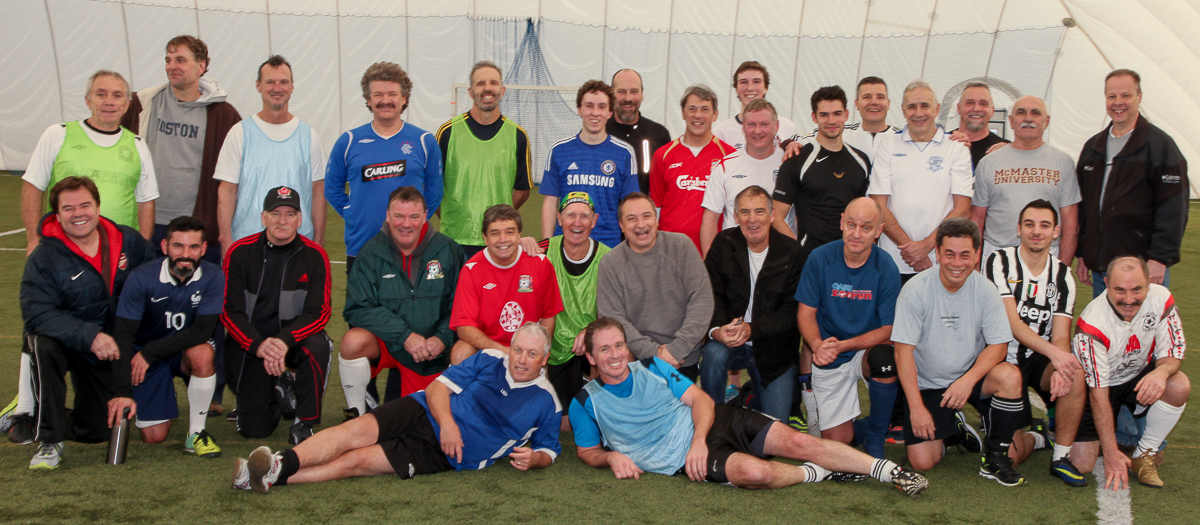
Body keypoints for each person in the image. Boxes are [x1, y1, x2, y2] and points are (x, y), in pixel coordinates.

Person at [569, 317, 928, 497]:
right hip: (680, 460)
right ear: (591, 356)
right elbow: (587, 451)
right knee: (756, 474)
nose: (615, 355)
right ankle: (819, 473)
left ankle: (889, 472)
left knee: (799, 441)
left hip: (713, 423)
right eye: (604, 349)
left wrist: (698, 441)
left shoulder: (653, 367)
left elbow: (700, 400)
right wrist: (611, 457)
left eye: (619, 345)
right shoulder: (585, 403)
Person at [232, 323, 561, 493]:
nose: (521, 359)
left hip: (446, 455)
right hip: (423, 408)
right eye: (517, 350)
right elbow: (437, 387)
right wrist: (448, 424)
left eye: (532, 354)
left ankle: (267, 477)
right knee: (353, 432)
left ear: (544, 359)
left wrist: (535, 459)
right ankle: (279, 463)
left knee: (356, 461)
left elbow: (549, 450)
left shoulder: (547, 401)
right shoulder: (490, 358)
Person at [20, 177, 155, 469]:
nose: (78, 214)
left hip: (108, 347)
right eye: (68, 208)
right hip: (65, 341)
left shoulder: (127, 240)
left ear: (97, 207)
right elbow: (37, 313)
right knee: (42, 345)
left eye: (85, 205)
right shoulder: (45, 256)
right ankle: (50, 439)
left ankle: (34, 416)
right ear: (57, 215)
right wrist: (89, 335)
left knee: (97, 431)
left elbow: (155, 276)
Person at [893, 218, 1028, 487]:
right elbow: (902, 353)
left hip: (972, 378)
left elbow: (999, 346)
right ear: (937, 253)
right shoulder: (915, 291)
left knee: (1010, 376)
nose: (957, 263)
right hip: (929, 384)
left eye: (965, 255)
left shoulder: (986, 290)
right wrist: (916, 407)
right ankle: (952, 430)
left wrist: (967, 380)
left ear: (977, 255)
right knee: (922, 461)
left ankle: (999, 457)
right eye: (950, 254)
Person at [982, 200, 1088, 486]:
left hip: (1037, 357)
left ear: (1056, 232)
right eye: (1029, 224)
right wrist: (1056, 354)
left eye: (1044, 225)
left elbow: (1061, 335)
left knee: (1074, 373)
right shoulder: (999, 261)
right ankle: (1038, 436)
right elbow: (1013, 325)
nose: (1036, 231)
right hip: (1000, 359)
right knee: (1012, 456)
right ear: (1019, 229)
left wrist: (1062, 365)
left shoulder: (1063, 275)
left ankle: (1061, 457)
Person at [338, 187, 464, 419]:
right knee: (353, 341)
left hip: (435, 349)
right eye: (399, 216)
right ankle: (357, 411)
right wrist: (405, 336)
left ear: (424, 216)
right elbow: (358, 308)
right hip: (392, 344)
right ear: (388, 216)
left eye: (413, 216)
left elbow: (462, 304)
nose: (406, 224)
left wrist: (441, 338)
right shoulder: (371, 252)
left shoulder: (448, 249)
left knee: (425, 421)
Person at [222, 186, 332, 444]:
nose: (283, 220)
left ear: (300, 219)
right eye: (275, 213)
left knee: (317, 345)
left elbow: (319, 312)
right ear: (264, 217)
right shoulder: (239, 252)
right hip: (254, 343)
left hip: (293, 341)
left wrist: (283, 341)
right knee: (254, 429)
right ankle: (281, 387)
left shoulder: (315, 256)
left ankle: (304, 422)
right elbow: (229, 311)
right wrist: (259, 345)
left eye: (290, 214)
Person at [1071, 256, 1189, 490]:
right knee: (1082, 463)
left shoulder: (1161, 297)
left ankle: (1144, 453)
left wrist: (1161, 372)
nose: (1128, 299)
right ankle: (1060, 428)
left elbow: (1173, 353)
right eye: (1120, 290)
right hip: (1100, 386)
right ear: (1106, 284)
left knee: (1178, 385)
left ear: (1149, 283)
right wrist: (1110, 452)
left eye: (1137, 289)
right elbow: (1098, 394)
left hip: (1136, 374)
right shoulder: (1092, 325)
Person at [120, 34, 241, 262]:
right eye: (168, 60)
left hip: (197, 226)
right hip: (148, 221)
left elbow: (234, 176)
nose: (172, 66)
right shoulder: (142, 104)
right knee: (147, 283)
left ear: (201, 66)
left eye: (181, 60)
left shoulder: (224, 115)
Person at [796, 198, 900, 459]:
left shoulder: (886, 266)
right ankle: (868, 427)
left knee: (885, 358)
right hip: (831, 353)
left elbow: (889, 329)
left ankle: (876, 438)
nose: (856, 234)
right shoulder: (820, 258)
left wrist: (845, 345)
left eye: (866, 228)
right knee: (839, 448)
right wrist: (818, 346)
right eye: (851, 224)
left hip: (864, 350)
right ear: (841, 222)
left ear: (878, 231)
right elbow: (805, 314)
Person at [112, 216, 223, 458]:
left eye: (193, 247)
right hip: (144, 358)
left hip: (174, 351)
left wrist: (151, 352)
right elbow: (123, 334)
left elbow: (202, 331)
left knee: (203, 352)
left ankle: (196, 433)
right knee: (154, 436)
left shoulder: (213, 276)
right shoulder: (141, 278)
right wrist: (123, 388)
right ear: (164, 247)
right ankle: (162, 393)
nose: (186, 254)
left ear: (204, 249)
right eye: (178, 246)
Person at [1075, 69, 1188, 294]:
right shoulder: (1093, 147)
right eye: (1112, 96)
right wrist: (1083, 253)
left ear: (1139, 97)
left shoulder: (1160, 146)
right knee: (1105, 319)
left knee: (1144, 319)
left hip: (1143, 269)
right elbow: (1084, 207)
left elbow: (1174, 208)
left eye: (1126, 95)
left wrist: (1159, 258)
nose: (1118, 102)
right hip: (1102, 270)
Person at [22, 70, 158, 253]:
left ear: (126, 105)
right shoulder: (58, 134)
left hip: (119, 253)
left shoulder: (138, 145)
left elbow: (146, 202)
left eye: (117, 96)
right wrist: (33, 239)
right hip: (63, 250)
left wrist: (142, 247)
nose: (109, 101)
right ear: (87, 100)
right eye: (101, 94)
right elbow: (33, 187)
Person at [325, 62, 443, 270]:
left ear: (404, 98)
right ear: (368, 100)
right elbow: (332, 189)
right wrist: (353, 214)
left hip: (410, 248)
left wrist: (415, 221)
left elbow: (435, 191)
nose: (385, 101)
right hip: (362, 246)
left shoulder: (424, 141)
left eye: (392, 94)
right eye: (378, 95)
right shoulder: (349, 141)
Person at [700, 186, 803, 421]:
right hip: (731, 340)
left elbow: (792, 311)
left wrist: (752, 329)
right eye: (745, 212)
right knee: (713, 355)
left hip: (774, 349)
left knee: (772, 430)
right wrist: (717, 330)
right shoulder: (723, 243)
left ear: (772, 215)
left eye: (759, 211)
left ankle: (745, 400)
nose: (752, 219)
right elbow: (710, 294)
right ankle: (711, 421)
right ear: (736, 217)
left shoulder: (792, 252)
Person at [597, 193, 713, 381]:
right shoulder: (610, 263)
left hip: (682, 357)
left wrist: (677, 349)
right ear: (621, 226)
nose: (640, 224)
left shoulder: (682, 246)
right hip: (636, 358)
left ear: (656, 220)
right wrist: (654, 354)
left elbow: (702, 300)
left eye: (646, 216)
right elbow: (612, 318)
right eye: (631, 219)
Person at [215, 55, 325, 251]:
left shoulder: (309, 136)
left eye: (283, 82)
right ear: (258, 85)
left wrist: (318, 239)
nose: (277, 88)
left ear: (292, 87)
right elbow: (227, 190)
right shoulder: (239, 133)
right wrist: (226, 240)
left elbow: (318, 190)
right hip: (248, 244)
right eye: (270, 82)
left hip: (298, 245)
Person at [868, 80, 972, 281]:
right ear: (903, 110)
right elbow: (878, 205)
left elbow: (963, 208)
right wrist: (912, 251)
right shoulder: (888, 145)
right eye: (911, 107)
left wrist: (926, 246)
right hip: (894, 261)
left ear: (937, 109)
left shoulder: (956, 147)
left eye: (925, 106)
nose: (918, 113)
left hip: (940, 261)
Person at [436, 61, 533, 257]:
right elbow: (432, 186)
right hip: (455, 239)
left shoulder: (517, 135)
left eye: (493, 83)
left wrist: (499, 219)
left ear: (502, 91)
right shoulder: (447, 132)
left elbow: (523, 191)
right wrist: (452, 216)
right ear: (470, 92)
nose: (487, 88)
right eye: (480, 83)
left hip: (498, 242)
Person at [970, 96, 1081, 264]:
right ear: (1011, 121)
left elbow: (1070, 224)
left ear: (1046, 121)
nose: (1028, 118)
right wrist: (976, 264)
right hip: (998, 256)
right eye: (1021, 113)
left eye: (1035, 113)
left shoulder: (1063, 162)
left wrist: (1062, 269)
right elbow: (977, 219)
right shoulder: (989, 163)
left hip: (1047, 255)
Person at [448, 205, 563, 364]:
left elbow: (548, 316)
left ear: (519, 235)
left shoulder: (540, 264)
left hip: (527, 346)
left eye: (509, 232)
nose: (503, 239)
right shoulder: (471, 269)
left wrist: (538, 352)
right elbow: (464, 328)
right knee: (461, 352)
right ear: (485, 238)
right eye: (495, 233)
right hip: (487, 345)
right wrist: (503, 351)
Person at [535, 192, 610, 427]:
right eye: (570, 215)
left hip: (588, 345)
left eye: (584, 216)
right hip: (554, 346)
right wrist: (521, 243)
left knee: (605, 340)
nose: (577, 223)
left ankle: (600, 394)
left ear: (594, 221)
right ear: (559, 218)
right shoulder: (543, 250)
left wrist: (591, 330)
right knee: (564, 425)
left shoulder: (608, 258)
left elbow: (616, 310)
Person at [540, 80, 638, 247]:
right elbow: (550, 204)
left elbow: (630, 206)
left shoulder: (624, 153)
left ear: (609, 112)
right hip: (566, 243)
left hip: (608, 244)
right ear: (579, 110)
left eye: (601, 107)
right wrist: (548, 245)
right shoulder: (559, 150)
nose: (595, 113)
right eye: (589, 106)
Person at [773, 86, 871, 250]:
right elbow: (776, 216)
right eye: (824, 115)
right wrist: (798, 252)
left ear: (846, 115)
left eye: (837, 114)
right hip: (811, 257)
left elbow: (867, 213)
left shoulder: (861, 161)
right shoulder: (797, 160)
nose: (831, 121)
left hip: (851, 256)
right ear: (814, 117)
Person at [649, 85, 735, 251]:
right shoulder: (663, 155)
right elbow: (655, 208)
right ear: (683, 113)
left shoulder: (729, 156)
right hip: (669, 249)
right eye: (692, 109)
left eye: (705, 109)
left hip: (712, 251)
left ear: (715, 115)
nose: (698, 115)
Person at [699, 99, 788, 257]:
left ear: (776, 126)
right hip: (734, 258)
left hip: (780, 258)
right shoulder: (725, 166)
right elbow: (710, 219)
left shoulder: (790, 164)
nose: (757, 131)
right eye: (751, 125)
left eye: (764, 124)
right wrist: (710, 263)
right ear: (743, 128)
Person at [606, 69, 672, 193]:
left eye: (634, 91)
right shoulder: (599, 132)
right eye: (621, 92)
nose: (628, 98)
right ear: (611, 95)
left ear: (642, 94)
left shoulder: (659, 134)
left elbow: (668, 182)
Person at [712, 61, 797, 151]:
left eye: (756, 82)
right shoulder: (720, 133)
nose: (750, 88)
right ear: (736, 89)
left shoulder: (786, 127)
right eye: (744, 82)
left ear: (765, 88)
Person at [950, 82, 1010, 168]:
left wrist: (1012, 154)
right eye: (970, 103)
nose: (976, 109)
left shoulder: (1004, 149)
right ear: (958, 108)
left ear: (992, 110)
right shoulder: (943, 143)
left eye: (983, 103)